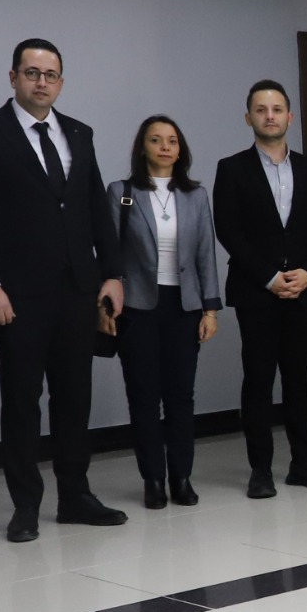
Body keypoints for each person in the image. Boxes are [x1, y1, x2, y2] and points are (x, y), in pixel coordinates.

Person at [0, 37, 127, 542]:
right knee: (22, 401)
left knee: (74, 397)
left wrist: (112, 272)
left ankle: (75, 496)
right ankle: (25, 505)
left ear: (61, 82)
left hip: (77, 289)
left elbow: (94, 205)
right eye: (32, 73)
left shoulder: (79, 132)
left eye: (50, 75)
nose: (41, 82)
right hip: (18, 293)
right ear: (13, 78)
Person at [211, 81, 307, 498]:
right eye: (261, 110)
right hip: (256, 291)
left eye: (277, 109)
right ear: (248, 118)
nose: (269, 116)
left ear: (289, 117)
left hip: (303, 290)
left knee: (300, 381)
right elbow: (229, 230)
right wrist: (268, 276)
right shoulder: (232, 168)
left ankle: (304, 463)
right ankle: (260, 469)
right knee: (258, 381)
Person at [109, 117, 222, 510]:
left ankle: (181, 477)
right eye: (155, 140)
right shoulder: (122, 192)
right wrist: (105, 303)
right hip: (137, 306)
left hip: (184, 306)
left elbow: (206, 253)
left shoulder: (195, 195)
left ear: (180, 149)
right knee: (143, 395)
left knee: (180, 396)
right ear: (143, 147)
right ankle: (153, 479)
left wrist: (210, 308)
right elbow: (109, 253)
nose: (164, 147)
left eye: (172, 141)